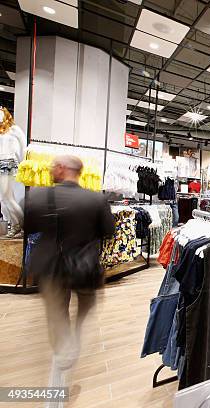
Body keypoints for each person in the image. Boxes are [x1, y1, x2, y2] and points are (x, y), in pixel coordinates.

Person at [24, 155, 115, 388]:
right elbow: (108, 232)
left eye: (54, 166)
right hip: (85, 267)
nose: (52, 169)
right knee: (85, 308)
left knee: (57, 314)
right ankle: (73, 342)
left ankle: (64, 351)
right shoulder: (96, 199)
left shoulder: (39, 195)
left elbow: (29, 227)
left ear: (62, 169)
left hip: (50, 267)